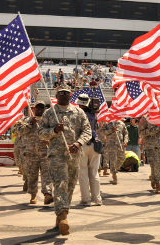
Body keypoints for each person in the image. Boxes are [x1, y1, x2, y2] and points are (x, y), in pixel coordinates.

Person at [39, 84, 92, 235]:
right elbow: (41, 133)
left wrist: (78, 143)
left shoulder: (78, 112)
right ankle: (63, 217)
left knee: (70, 185)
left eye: (66, 92)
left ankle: (61, 219)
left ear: (70, 95)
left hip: (73, 155)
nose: (63, 94)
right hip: (56, 154)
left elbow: (87, 130)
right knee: (61, 183)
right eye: (60, 92)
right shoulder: (50, 113)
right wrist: (54, 131)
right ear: (56, 95)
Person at [18, 102, 53, 205]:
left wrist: (49, 139)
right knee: (32, 175)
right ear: (33, 109)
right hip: (31, 153)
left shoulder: (47, 121)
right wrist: (31, 124)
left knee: (47, 175)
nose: (40, 110)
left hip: (45, 152)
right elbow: (20, 131)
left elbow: (53, 132)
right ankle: (33, 195)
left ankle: (47, 194)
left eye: (42, 108)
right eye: (37, 108)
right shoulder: (25, 120)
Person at [76, 94, 103, 206]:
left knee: (83, 173)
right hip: (94, 144)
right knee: (94, 173)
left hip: (82, 145)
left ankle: (86, 199)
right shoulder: (93, 114)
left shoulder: (78, 114)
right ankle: (97, 199)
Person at [98, 119, 128, 185]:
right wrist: (111, 131)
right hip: (111, 145)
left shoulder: (121, 123)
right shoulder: (107, 122)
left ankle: (114, 169)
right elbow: (101, 132)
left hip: (120, 144)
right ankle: (114, 175)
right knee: (113, 160)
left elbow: (125, 133)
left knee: (122, 158)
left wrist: (125, 141)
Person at [139, 116, 160, 194]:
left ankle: (153, 178)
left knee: (159, 165)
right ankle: (158, 185)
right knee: (154, 165)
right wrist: (153, 130)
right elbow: (141, 132)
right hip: (150, 146)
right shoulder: (144, 119)